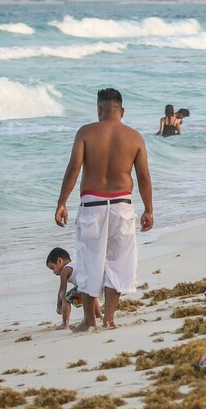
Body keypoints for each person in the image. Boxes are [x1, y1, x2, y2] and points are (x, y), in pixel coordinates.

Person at [55, 88, 153, 332]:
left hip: (92, 206)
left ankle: (89, 320)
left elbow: (73, 169)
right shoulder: (135, 137)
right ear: (122, 111)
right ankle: (109, 319)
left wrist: (61, 203)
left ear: (99, 109)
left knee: (89, 263)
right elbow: (143, 179)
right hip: (122, 205)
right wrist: (149, 209)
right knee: (118, 263)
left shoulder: (86, 132)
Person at [45, 247, 100, 330]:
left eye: (53, 268)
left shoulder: (65, 271)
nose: (54, 272)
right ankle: (98, 315)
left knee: (65, 298)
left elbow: (62, 290)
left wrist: (59, 304)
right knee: (91, 296)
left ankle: (65, 323)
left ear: (59, 261)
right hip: (93, 284)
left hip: (84, 287)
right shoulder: (75, 263)